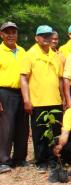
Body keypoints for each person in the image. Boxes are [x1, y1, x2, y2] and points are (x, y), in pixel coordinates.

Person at [20, 25, 64, 172]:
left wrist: (63, 98)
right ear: (36, 38)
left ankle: (53, 159)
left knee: (54, 133)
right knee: (39, 134)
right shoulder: (29, 54)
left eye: (48, 35)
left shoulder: (55, 55)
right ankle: (41, 161)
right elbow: (23, 79)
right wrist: (26, 99)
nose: (46, 38)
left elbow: (60, 79)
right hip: (38, 101)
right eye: (43, 35)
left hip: (55, 100)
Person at [0, 21, 27, 173]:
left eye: (13, 32)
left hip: (22, 92)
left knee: (22, 125)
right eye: (7, 32)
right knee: (6, 127)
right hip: (4, 91)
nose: (11, 35)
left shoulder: (22, 51)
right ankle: (3, 160)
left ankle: (20, 158)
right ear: (1, 34)